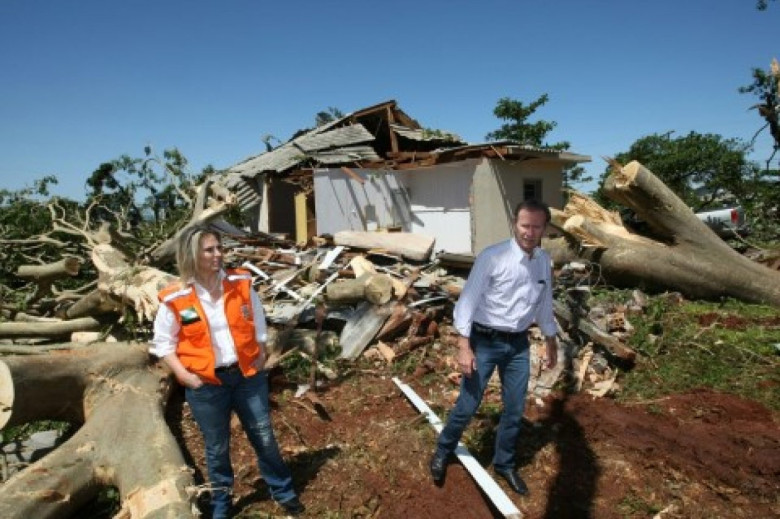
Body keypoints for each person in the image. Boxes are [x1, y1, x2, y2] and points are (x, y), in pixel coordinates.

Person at [150, 226, 304, 518]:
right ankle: (221, 503)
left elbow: (259, 321)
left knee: (264, 436)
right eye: (209, 250)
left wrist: (260, 355)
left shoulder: (241, 283)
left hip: (246, 377)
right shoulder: (176, 297)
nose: (218, 254)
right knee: (217, 447)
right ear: (192, 254)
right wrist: (184, 376)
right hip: (206, 384)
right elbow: (163, 343)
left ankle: (283, 490)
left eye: (219, 248)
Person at [429, 199, 559, 495]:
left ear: (544, 229)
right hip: (484, 341)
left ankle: (504, 464)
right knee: (468, 404)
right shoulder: (493, 257)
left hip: (518, 345)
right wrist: (464, 346)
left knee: (514, 409)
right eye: (525, 225)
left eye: (536, 226)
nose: (529, 232)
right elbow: (467, 303)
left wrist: (551, 341)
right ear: (515, 223)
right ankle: (442, 451)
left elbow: (544, 305)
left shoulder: (543, 261)